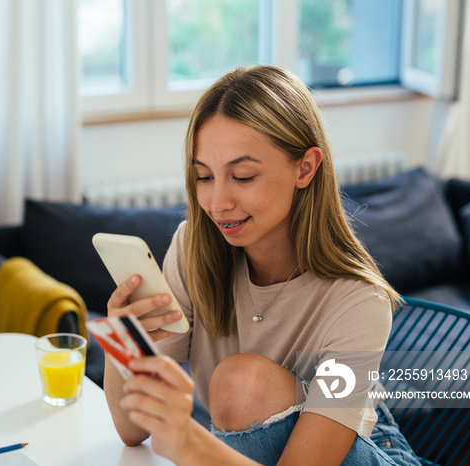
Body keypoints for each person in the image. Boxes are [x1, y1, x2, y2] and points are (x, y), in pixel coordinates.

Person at [103, 65, 421, 466]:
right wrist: (122, 344)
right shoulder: (194, 248)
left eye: (243, 176)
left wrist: (188, 442)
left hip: (367, 455)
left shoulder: (358, 302)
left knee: (242, 385)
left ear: (305, 168)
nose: (217, 203)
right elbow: (131, 430)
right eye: (204, 176)